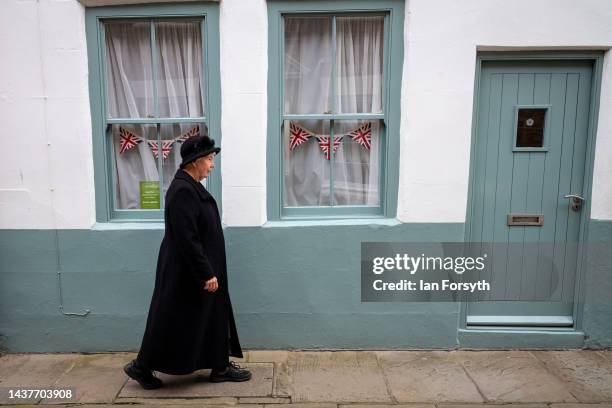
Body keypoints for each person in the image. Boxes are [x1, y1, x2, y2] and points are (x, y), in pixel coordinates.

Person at [123, 135, 251, 389]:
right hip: (187, 272)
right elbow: (186, 237)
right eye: (210, 159)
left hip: (197, 268)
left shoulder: (190, 185)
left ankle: (219, 366)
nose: (212, 165)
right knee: (171, 318)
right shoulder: (182, 190)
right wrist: (205, 273)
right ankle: (141, 367)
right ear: (195, 161)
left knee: (209, 315)